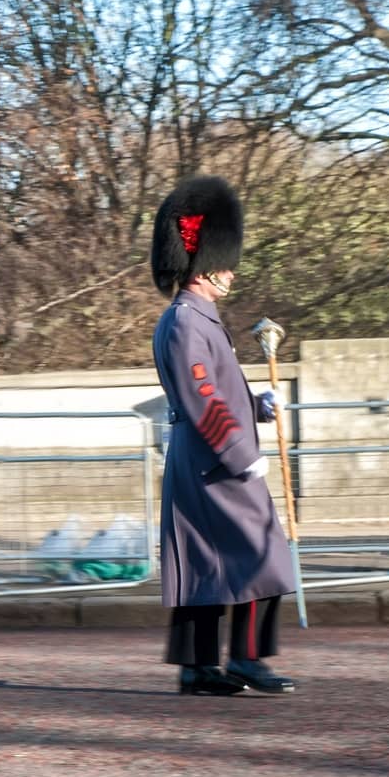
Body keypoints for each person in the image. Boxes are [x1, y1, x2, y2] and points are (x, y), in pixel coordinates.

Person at [150, 175, 297, 697]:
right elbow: (202, 398)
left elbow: (220, 391)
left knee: (205, 563)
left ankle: (197, 667)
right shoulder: (187, 321)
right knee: (263, 554)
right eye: (225, 259)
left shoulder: (198, 318)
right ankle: (249, 659)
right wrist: (242, 454)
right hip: (216, 462)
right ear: (207, 264)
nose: (232, 270)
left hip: (207, 458)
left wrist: (257, 406)